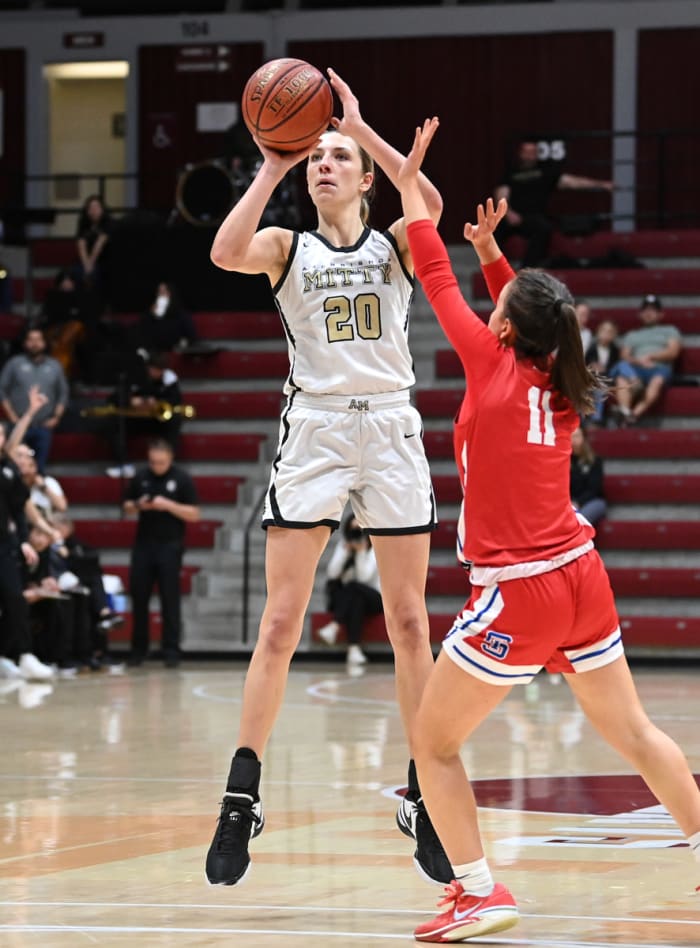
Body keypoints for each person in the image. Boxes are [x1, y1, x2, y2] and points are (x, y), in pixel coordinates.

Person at [397, 118, 700, 943]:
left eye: (495, 302)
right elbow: (533, 310)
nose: (487, 305)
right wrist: (496, 256)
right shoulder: (559, 376)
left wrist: (410, 181)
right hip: (581, 575)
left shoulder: (490, 360)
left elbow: (430, 270)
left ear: (503, 329)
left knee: (430, 740)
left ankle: (479, 890)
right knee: (636, 733)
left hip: (521, 589)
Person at [204, 68, 448, 890]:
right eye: (318, 158)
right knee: (280, 624)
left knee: (410, 624)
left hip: (390, 426)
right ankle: (243, 793)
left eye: (337, 157)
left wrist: (361, 124)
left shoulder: (395, 247)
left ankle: (425, 792)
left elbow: (434, 212)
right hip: (314, 429)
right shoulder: (288, 247)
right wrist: (272, 161)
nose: (325, 165)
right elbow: (224, 251)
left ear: (367, 178)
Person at [122, 438, 200, 668]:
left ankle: (171, 650)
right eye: (153, 462)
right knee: (139, 597)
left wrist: (168, 505)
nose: (157, 466)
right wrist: (139, 505)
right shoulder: (141, 476)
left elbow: (195, 514)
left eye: (161, 462)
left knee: (170, 598)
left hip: (170, 545)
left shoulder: (182, 479)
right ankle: (138, 649)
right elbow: (126, 506)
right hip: (143, 545)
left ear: (170, 458)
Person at [493, 139, 613, 267]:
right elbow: (501, 194)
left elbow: (572, 182)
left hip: (534, 217)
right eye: (526, 152)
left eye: (533, 152)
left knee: (544, 229)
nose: (529, 156)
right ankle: (496, 268)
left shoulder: (546, 172)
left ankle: (526, 270)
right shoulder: (511, 173)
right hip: (511, 215)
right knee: (493, 231)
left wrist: (602, 184)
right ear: (521, 154)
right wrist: (508, 213)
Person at [0, 420, 56, 683]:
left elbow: (19, 509)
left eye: (0, 433)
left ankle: (22, 655)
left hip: (3, 545)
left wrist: (23, 540)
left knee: (15, 598)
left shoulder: (8, 470)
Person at [104, 350, 186, 478]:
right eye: (154, 369)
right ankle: (124, 465)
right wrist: (130, 401)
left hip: (156, 419)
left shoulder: (169, 378)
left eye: (160, 370)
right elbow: (114, 398)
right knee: (113, 421)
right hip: (135, 419)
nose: (156, 373)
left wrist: (158, 402)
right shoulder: (135, 377)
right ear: (148, 368)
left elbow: (176, 400)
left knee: (175, 419)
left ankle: (169, 462)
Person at [317, 512, 383, 667]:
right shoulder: (343, 545)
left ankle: (334, 626)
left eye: (359, 530)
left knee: (354, 587)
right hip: (352, 598)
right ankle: (354, 649)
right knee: (355, 599)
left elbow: (364, 578)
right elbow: (332, 574)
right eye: (353, 530)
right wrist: (346, 552)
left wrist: (360, 552)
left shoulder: (375, 547)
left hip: (375, 597)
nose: (355, 534)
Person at [0, 326, 69, 473]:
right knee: (14, 467)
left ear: (44, 343)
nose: (35, 343)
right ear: (25, 343)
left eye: (38, 340)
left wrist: (56, 417)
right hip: (18, 424)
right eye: (31, 340)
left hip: (43, 426)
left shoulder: (55, 365)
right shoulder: (14, 364)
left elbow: (63, 393)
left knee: (39, 468)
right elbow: (1, 390)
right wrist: (12, 416)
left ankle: (36, 493)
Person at [612, 294, 682, 426]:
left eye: (653, 310)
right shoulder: (632, 335)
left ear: (660, 314)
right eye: (646, 310)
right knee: (621, 377)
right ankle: (625, 411)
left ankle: (633, 415)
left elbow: (673, 352)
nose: (649, 313)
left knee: (657, 381)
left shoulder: (670, 330)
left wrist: (652, 357)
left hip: (659, 367)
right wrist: (639, 362)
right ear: (640, 314)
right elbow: (624, 355)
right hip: (636, 368)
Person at [135, 281, 198, 354]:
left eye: (164, 292)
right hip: (153, 350)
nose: (161, 295)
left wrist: (182, 345)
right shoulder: (150, 314)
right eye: (159, 292)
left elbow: (191, 336)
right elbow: (142, 332)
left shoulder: (181, 314)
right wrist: (151, 315)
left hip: (173, 349)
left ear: (171, 294)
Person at [75, 194, 113, 303]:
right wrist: (86, 265)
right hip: (86, 261)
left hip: (104, 259)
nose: (94, 210)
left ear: (102, 209)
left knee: (95, 273)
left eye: (96, 207)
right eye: (91, 208)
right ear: (87, 211)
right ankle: (81, 304)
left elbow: (99, 245)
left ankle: (97, 304)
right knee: (78, 272)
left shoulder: (108, 223)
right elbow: (81, 245)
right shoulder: (83, 224)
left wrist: (90, 265)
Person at [584, 318, 621, 427]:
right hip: (595, 379)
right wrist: (592, 367)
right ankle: (596, 419)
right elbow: (586, 365)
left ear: (614, 335)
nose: (606, 334)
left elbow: (615, 366)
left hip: (610, 377)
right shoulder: (591, 349)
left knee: (622, 367)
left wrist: (605, 369)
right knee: (599, 387)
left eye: (610, 332)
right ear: (598, 331)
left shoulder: (615, 350)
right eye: (603, 330)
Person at [570, 425, 607, 527]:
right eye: (571, 437)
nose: (573, 440)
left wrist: (578, 502)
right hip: (570, 502)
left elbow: (594, 489)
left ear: (584, 438)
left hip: (593, 500)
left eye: (577, 436)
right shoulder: (564, 460)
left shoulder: (594, 461)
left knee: (580, 519)